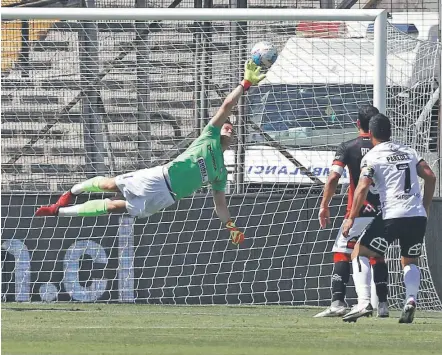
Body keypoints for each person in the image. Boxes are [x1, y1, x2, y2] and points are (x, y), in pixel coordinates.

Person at [35, 61, 266, 245]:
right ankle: (71, 193)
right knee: (109, 186)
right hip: (159, 177)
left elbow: (220, 205)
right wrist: (245, 84)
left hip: (166, 198)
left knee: (115, 206)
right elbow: (227, 105)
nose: (229, 126)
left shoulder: (220, 173)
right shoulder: (208, 136)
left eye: (232, 128)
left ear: (233, 141)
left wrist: (231, 227)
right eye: (227, 125)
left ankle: (59, 213)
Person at [341, 113, 436, 323]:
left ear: (371, 133)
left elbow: (363, 186)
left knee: (359, 252)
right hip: (416, 215)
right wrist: (425, 205)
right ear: (390, 131)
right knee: (410, 260)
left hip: (391, 214)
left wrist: (351, 217)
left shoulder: (372, 156)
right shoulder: (408, 151)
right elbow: (430, 176)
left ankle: (364, 302)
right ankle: (410, 299)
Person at [315, 105, 389, 318]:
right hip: (383, 211)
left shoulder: (348, 147)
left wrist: (324, 205)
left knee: (342, 251)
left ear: (358, 124)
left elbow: (333, 178)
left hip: (357, 212)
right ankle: (382, 305)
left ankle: (338, 301)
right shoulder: (386, 149)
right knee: (376, 254)